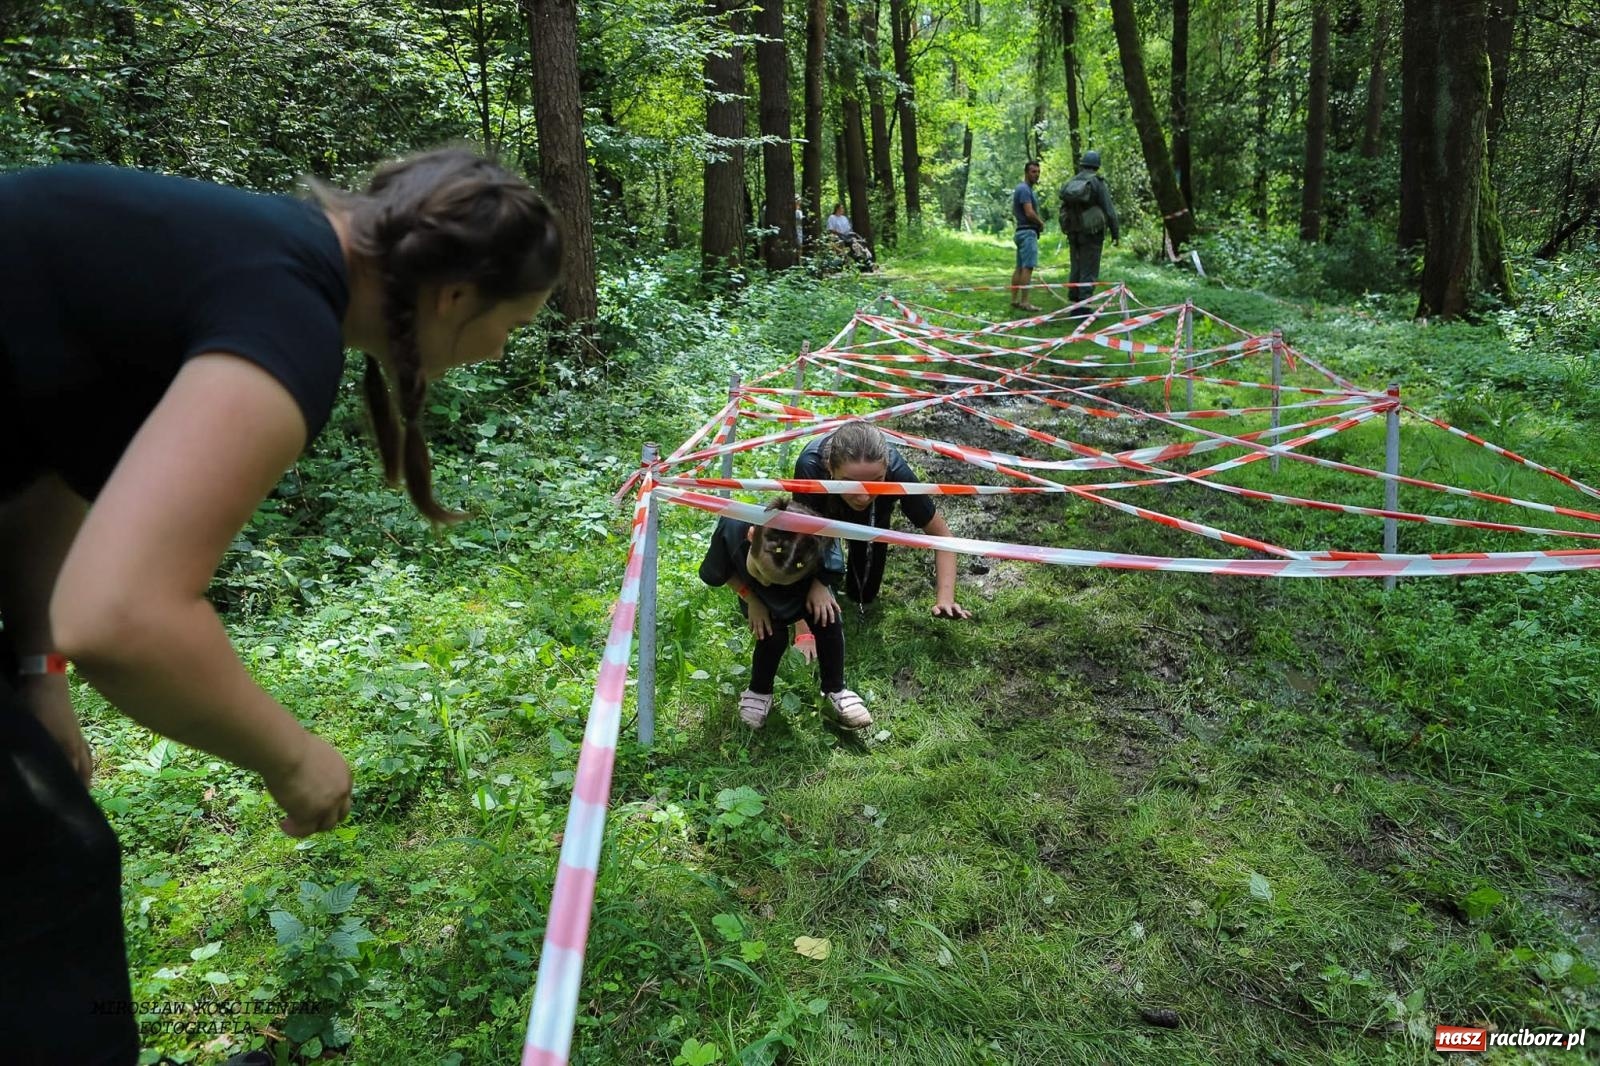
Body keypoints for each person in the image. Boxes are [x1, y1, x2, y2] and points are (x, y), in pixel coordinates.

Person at [0, 147, 562, 1064]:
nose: (503, 350)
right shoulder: (285, 310)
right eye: (516, 323)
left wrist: (36, 668)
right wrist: (292, 755)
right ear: (455, 297)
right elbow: (123, 615)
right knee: (37, 886)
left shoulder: (240, 254)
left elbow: (44, 474)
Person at [699, 498, 871, 730]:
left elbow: (832, 552)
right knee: (770, 635)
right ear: (751, 536)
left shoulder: (816, 533)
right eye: (760, 571)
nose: (766, 582)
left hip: (805, 587)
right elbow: (720, 572)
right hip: (753, 594)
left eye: (773, 580)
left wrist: (820, 585)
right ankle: (759, 691)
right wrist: (751, 597)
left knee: (828, 619)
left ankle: (835, 690)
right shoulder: (733, 525)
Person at [791, 421, 972, 631]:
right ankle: (826, 576)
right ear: (831, 468)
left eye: (875, 481)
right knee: (818, 554)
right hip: (823, 509)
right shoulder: (810, 466)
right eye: (850, 483)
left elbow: (942, 536)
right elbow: (798, 541)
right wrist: (809, 602)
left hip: (876, 514)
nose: (863, 496)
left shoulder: (898, 474)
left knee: (864, 594)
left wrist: (945, 599)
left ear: (887, 468)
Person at [1058, 149, 1120, 308]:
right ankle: (1084, 307)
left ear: (1083, 164)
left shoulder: (1072, 182)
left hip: (1073, 231)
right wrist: (1115, 233)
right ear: (1096, 166)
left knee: (1076, 267)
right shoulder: (1097, 182)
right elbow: (1109, 210)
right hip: (1092, 233)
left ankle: (1073, 300)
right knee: (1089, 269)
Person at [1010, 160, 1045, 313]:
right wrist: (1040, 223)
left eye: (1038, 172)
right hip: (1027, 233)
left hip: (1020, 232)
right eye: (1033, 172)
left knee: (1019, 267)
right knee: (1027, 267)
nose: (1036, 175)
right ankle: (1024, 302)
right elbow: (1029, 212)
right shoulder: (1024, 189)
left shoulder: (1023, 189)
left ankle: (1014, 300)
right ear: (1026, 173)